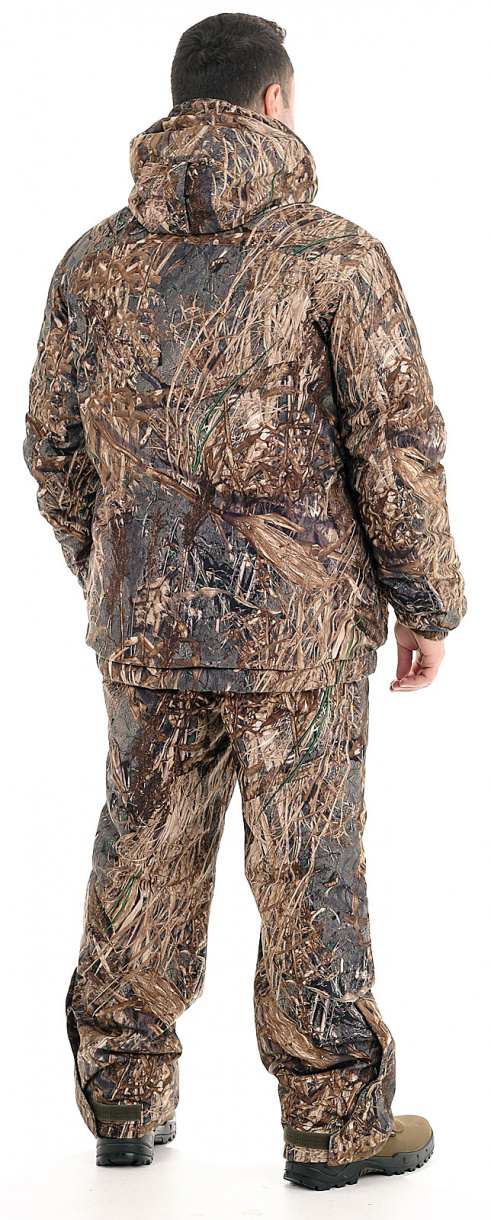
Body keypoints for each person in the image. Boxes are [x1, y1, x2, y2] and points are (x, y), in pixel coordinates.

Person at [23, 11, 467, 1190]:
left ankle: (122, 1098)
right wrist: (424, 600)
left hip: (146, 630)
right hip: (297, 639)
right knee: (308, 866)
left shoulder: (91, 262)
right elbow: (392, 444)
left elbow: (54, 450)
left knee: (142, 855)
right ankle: (330, 1123)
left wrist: (122, 570)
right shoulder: (337, 257)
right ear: (274, 101)